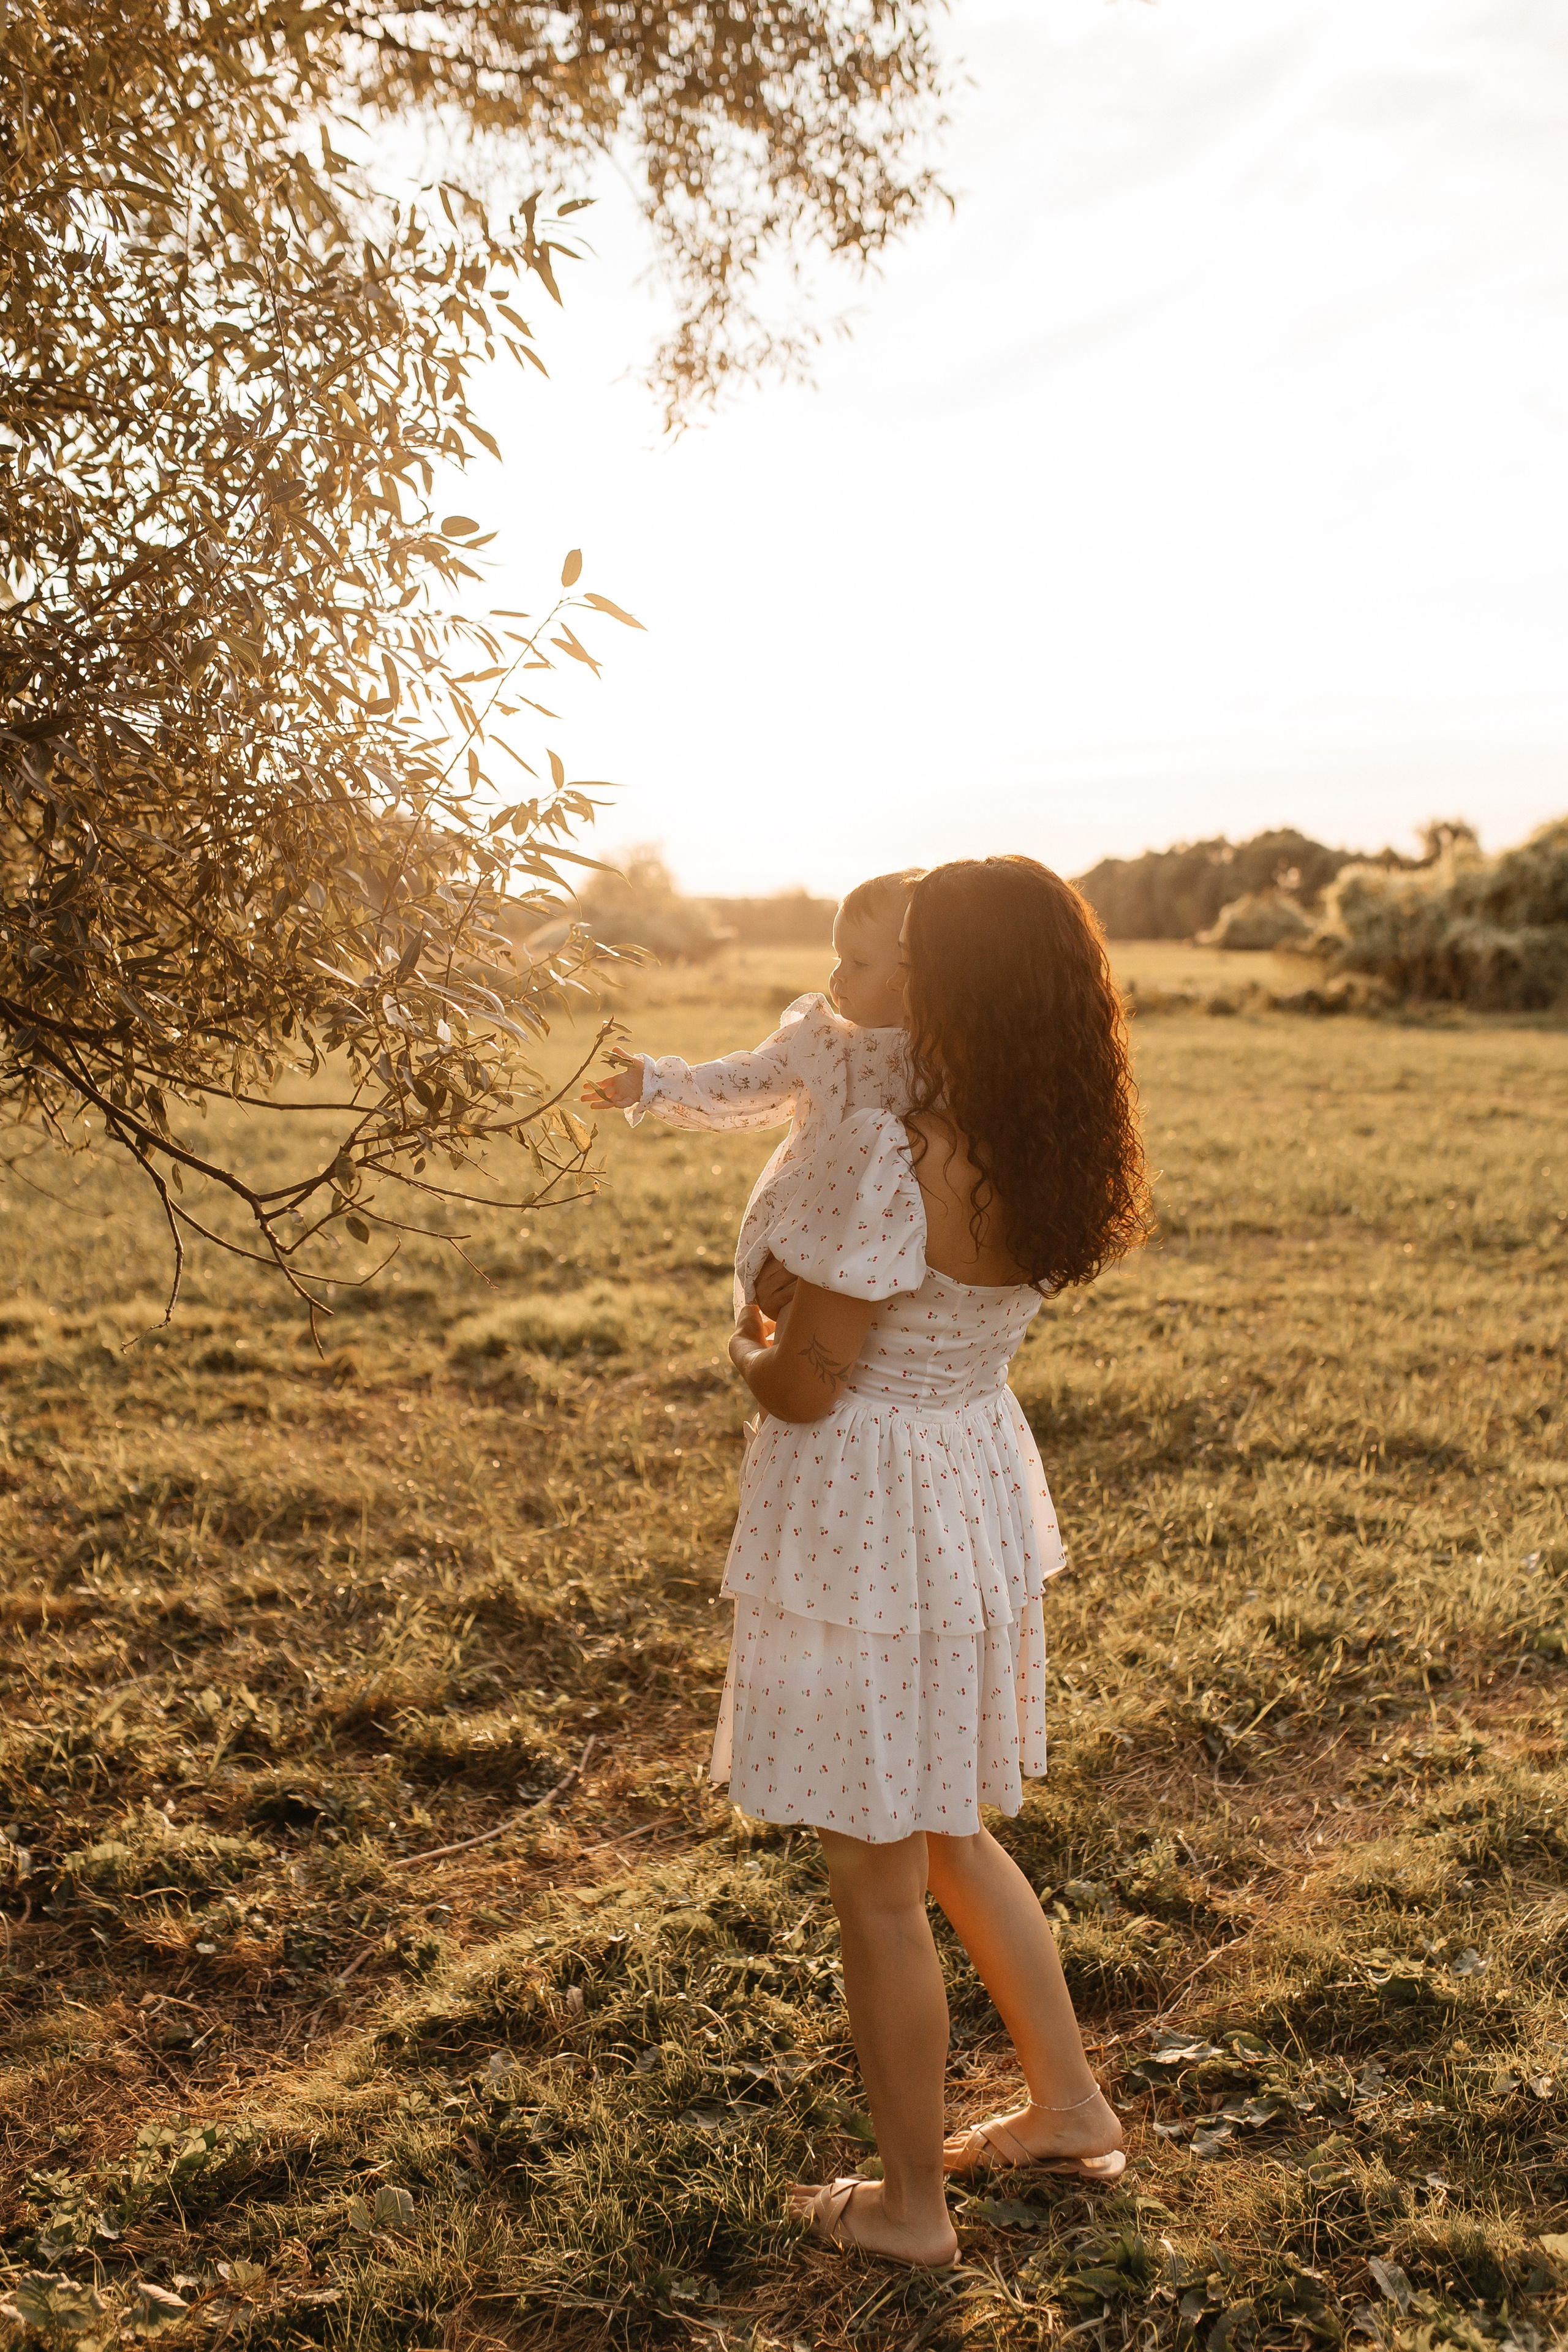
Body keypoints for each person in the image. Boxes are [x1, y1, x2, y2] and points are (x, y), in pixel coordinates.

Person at [717, 855, 1153, 2267]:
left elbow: (806, 1388)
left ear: (950, 983)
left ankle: (909, 2208)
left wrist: (751, 1344)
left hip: (868, 1514)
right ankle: (1069, 2100)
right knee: (949, 1826)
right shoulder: (1046, 1138)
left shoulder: (889, 1150)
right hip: (965, 1488)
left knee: (879, 1876)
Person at [581, 870, 922, 1316]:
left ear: (914, 971)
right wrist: (655, 1081)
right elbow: (745, 1079)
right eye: (837, 958)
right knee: (800, 1316)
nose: (837, 977)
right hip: (811, 1217)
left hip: (905, 1232)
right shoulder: (822, 1042)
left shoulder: (943, 1056)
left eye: (859, 963)